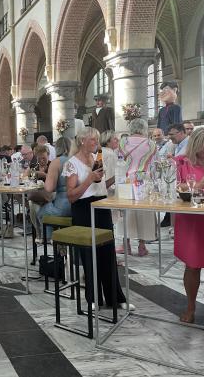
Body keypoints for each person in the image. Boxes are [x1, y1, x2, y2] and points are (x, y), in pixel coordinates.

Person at [63, 127, 132, 310]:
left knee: (108, 252)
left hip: (101, 205)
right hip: (84, 208)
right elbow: (71, 196)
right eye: (93, 140)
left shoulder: (96, 159)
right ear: (82, 141)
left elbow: (100, 186)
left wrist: (117, 176)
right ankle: (93, 298)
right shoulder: (72, 163)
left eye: (97, 140)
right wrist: (89, 179)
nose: (97, 144)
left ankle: (115, 297)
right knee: (90, 253)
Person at [174, 128, 204, 325]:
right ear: (196, 146)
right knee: (192, 265)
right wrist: (198, 185)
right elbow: (176, 187)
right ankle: (190, 307)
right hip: (192, 221)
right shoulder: (183, 163)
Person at [117, 119, 157, 257]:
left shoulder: (123, 142)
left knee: (125, 211)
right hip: (144, 180)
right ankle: (142, 245)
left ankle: (126, 243)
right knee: (144, 212)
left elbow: (119, 159)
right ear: (144, 128)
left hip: (126, 179)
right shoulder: (151, 144)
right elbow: (154, 164)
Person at [29, 137, 72, 241]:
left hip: (63, 206)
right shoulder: (75, 159)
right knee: (44, 205)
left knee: (40, 212)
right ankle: (54, 239)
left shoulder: (56, 162)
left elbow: (49, 188)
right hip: (76, 205)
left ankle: (50, 238)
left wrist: (45, 176)